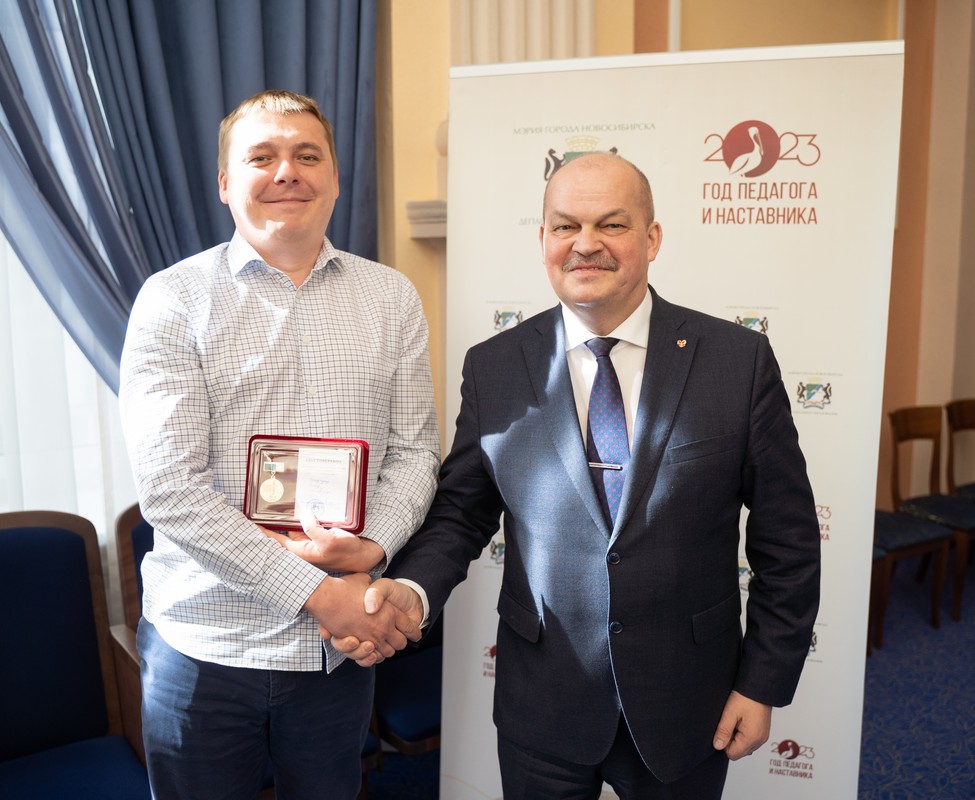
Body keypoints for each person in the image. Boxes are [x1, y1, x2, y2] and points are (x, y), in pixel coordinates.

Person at [339, 152, 821, 799]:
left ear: (652, 238)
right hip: (543, 701)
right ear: (543, 239)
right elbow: (461, 511)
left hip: (687, 700)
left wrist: (761, 683)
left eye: (611, 225)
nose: (585, 244)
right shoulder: (495, 366)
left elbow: (788, 541)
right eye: (566, 226)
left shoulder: (737, 362)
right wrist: (414, 589)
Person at [118, 89, 439, 800]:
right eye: (261, 156)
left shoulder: (391, 298)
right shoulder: (173, 300)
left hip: (334, 658)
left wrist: (370, 549)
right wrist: (319, 594)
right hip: (205, 645)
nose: (286, 171)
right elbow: (170, 490)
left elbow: (416, 453)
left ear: (334, 177)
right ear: (225, 182)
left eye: (306, 155)